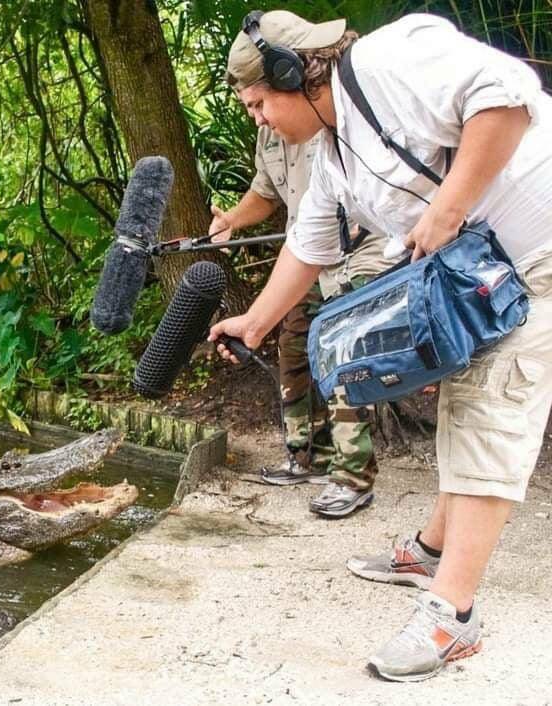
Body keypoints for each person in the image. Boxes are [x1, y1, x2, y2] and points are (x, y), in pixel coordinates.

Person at [210, 9, 552, 682]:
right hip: (481, 279)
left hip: (537, 257)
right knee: (464, 398)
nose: (257, 120)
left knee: (491, 408)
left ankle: (451, 616)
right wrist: (253, 321)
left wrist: (448, 208)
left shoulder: (393, 59)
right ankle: (429, 550)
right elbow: (309, 243)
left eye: (257, 104)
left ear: (291, 74)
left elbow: (507, 99)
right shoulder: (332, 151)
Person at [208, 125, 384, 517]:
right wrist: (233, 220)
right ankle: (309, 455)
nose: (255, 117)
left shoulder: (329, 116)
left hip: (356, 255)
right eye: (246, 107)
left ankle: (352, 477)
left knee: (342, 355)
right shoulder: (267, 129)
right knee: (294, 348)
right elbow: (266, 192)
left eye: (258, 103)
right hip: (305, 258)